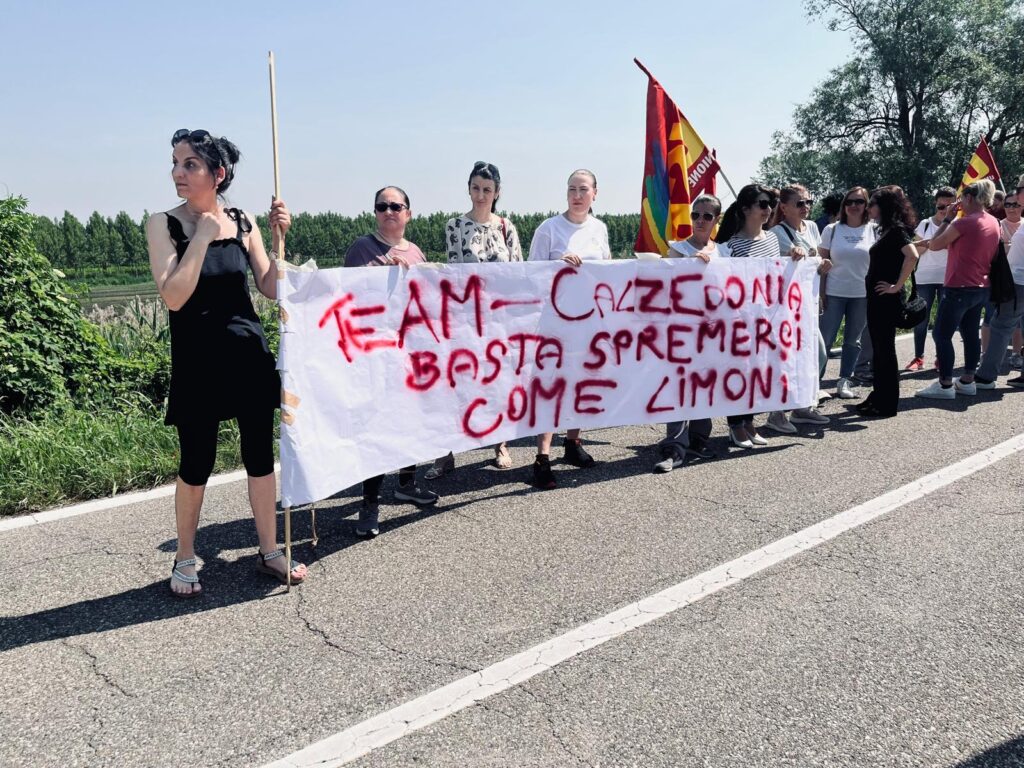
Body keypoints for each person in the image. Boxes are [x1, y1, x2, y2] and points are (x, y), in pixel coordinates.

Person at [146, 128, 307, 596]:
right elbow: (173, 296)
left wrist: (279, 240)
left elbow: (271, 288)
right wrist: (203, 237)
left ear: (217, 174)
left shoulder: (243, 220)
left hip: (248, 355)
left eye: (189, 165)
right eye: (175, 163)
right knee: (196, 462)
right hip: (198, 362)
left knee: (259, 455)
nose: (178, 173)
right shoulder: (164, 224)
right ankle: (184, 557)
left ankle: (269, 550)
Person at [344, 186, 439, 535]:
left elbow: (426, 300)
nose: (388, 212)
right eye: (382, 206)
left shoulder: (416, 252)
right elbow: (349, 297)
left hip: (411, 353)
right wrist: (384, 274)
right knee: (377, 429)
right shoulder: (362, 248)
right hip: (375, 355)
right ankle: (370, 503)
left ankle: (407, 482)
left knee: (410, 421)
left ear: (408, 213)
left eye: (395, 206)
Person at [425, 162, 523, 480]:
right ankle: (446, 452)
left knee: (498, 382)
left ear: (497, 193)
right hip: (465, 318)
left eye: (487, 189)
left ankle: (500, 444)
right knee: (456, 383)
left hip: (499, 320)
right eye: (476, 188)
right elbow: (455, 272)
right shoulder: (455, 226)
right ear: (469, 188)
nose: (481, 195)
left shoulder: (507, 228)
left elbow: (520, 274)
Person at [527, 169, 610, 488]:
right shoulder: (549, 229)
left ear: (594, 194)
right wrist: (555, 264)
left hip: (588, 321)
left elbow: (605, 273)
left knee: (580, 383)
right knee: (551, 386)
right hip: (554, 322)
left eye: (583, 189)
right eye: (572, 189)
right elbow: (531, 274)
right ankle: (542, 457)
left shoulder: (599, 229)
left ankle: (573, 443)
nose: (577, 195)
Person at [714, 184, 788, 448]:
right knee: (740, 372)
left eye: (770, 204)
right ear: (746, 209)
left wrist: (798, 257)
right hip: (739, 320)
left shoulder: (772, 239)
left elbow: (778, 274)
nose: (768, 210)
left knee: (758, 371)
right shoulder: (730, 244)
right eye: (762, 204)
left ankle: (749, 422)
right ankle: (735, 425)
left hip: (765, 319)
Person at [654, 193, 723, 472]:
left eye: (707, 216)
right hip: (681, 331)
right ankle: (675, 445)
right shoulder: (677, 251)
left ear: (716, 220)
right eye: (696, 214)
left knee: (704, 385)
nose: (700, 221)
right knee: (679, 388)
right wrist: (688, 266)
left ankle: (698, 439)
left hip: (713, 331)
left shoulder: (725, 252)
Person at [914, 179, 1001, 400]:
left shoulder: (963, 223)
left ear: (969, 198)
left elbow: (933, 245)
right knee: (970, 334)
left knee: (941, 334)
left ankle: (944, 385)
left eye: (962, 198)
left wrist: (949, 219)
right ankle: (967, 380)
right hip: (981, 286)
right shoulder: (993, 221)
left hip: (958, 286)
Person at [766, 184, 831, 429]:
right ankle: (776, 412)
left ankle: (802, 405)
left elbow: (816, 261)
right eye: (800, 203)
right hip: (786, 307)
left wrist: (823, 264)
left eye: (808, 202)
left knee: (818, 353)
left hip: (808, 305)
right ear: (784, 207)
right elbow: (774, 266)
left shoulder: (813, 227)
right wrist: (790, 255)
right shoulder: (777, 233)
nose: (806, 207)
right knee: (786, 359)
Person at [857, 186, 919, 417]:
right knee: (880, 351)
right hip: (877, 299)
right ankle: (879, 396)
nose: (869, 207)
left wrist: (896, 286)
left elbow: (912, 255)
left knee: (885, 351)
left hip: (885, 300)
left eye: (872, 203)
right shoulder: (885, 231)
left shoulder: (896, 231)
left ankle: (887, 402)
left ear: (883, 206)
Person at [818, 186, 877, 399]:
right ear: (844, 205)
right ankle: (816, 383)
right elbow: (821, 264)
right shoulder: (832, 230)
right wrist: (821, 293)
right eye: (849, 202)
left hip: (861, 295)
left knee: (853, 341)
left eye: (859, 202)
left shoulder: (874, 230)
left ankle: (845, 381)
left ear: (866, 205)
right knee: (824, 339)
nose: (854, 206)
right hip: (834, 292)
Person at [974, 184, 1024, 390]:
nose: (1018, 194)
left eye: (1021, 189)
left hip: (1018, 282)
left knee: (1000, 326)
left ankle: (986, 376)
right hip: (1015, 281)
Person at [906, 187, 956, 370]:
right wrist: (931, 244)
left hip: (948, 278)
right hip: (925, 278)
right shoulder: (925, 224)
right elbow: (916, 251)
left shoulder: (959, 224)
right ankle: (918, 358)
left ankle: (940, 357)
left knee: (944, 321)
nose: (945, 210)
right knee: (920, 320)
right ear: (936, 203)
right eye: (941, 205)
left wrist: (938, 244)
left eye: (950, 206)